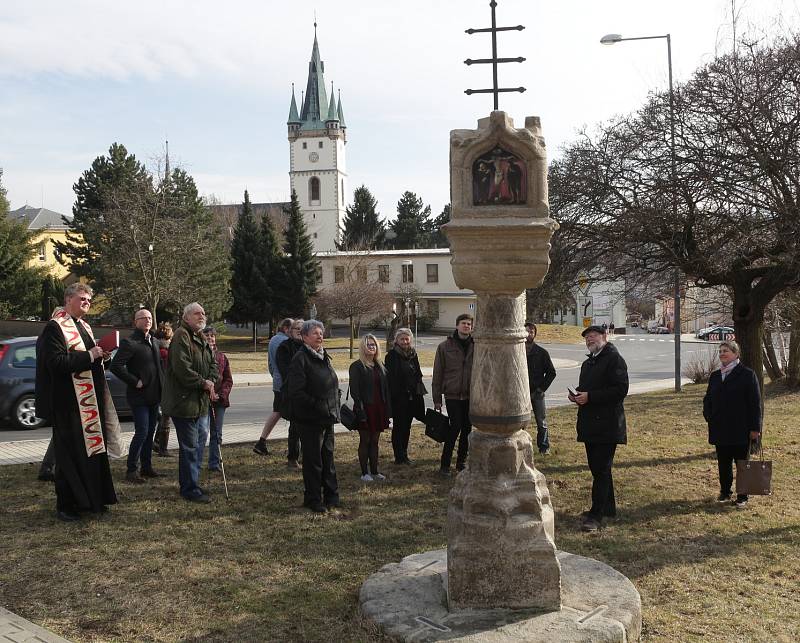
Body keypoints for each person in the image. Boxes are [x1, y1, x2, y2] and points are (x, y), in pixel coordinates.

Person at [35, 283, 120, 521]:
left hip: (89, 404)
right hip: (67, 406)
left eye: (89, 300)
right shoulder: (55, 328)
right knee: (69, 458)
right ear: (68, 299)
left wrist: (102, 356)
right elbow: (56, 363)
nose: (86, 302)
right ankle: (66, 505)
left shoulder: (84, 326)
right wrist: (90, 355)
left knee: (92, 453)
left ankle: (92, 500)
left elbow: (87, 360)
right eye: (82, 298)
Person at [568, 325, 629, 533]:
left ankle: (596, 516)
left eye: (593, 336)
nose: (589, 340)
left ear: (604, 336)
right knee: (598, 469)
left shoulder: (614, 359)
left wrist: (590, 397)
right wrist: (578, 396)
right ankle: (608, 507)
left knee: (601, 469)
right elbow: (587, 388)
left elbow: (621, 389)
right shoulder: (588, 363)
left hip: (608, 424)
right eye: (586, 338)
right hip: (589, 423)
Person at [161, 302, 218, 503]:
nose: (202, 315)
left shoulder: (201, 337)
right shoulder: (181, 336)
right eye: (197, 313)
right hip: (183, 403)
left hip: (199, 402)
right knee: (190, 447)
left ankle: (192, 483)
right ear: (186, 317)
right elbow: (181, 369)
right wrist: (203, 383)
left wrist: (211, 380)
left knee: (197, 444)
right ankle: (189, 489)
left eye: (203, 312)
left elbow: (214, 362)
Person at [287, 320, 340, 513]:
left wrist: (335, 400)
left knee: (328, 458)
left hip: (327, 417)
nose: (320, 336)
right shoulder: (300, 359)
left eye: (321, 333)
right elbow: (296, 392)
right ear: (305, 337)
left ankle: (332, 496)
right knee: (313, 462)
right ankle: (313, 499)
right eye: (316, 333)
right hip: (310, 420)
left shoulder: (324, 356)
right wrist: (318, 406)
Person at [703, 340, 762, 509]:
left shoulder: (747, 374)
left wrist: (755, 428)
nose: (722, 353)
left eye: (726, 350)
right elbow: (708, 399)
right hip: (720, 428)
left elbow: (755, 403)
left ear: (736, 354)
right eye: (720, 351)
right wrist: (709, 416)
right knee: (723, 462)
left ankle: (743, 496)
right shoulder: (715, 375)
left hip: (740, 428)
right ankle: (725, 491)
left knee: (742, 463)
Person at [111, 308, 164, 483]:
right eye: (143, 318)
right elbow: (116, 366)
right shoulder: (130, 342)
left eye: (149, 318)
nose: (148, 320)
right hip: (138, 396)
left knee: (150, 433)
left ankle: (147, 467)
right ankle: (131, 470)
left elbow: (159, 368)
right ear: (136, 322)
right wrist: (135, 381)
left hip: (154, 396)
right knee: (141, 432)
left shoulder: (154, 341)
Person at [432, 313, 474, 476]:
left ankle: (461, 463)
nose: (466, 326)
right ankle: (445, 464)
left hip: (469, 395)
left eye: (469, 324)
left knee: (467, 429)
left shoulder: (476, 345)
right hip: (452, 395)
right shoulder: (445, 346)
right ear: (457, 325)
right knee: (454, 427)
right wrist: (437, 399)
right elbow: (437, 373)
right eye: (463, 323)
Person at [349, 334, 391, 481]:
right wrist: (361, 411)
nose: (372, 347)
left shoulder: (380, 365)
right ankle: (364, 473)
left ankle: (374, 471)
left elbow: (385, 389)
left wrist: (387, 409)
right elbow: (355, 391)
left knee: (375, 441)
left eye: (374, 345)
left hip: (379, 408)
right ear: (363, 347)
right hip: (365, 408)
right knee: (365, 440)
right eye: (369, 344)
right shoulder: (356, 366)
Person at [385, 327, 426, 465]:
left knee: (407, 427)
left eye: (406, 339)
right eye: (401, 339)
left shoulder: (413, 355)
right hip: (399, 398)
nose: (404, 341)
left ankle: (405, 454)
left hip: (412, 398)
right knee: (398, 427)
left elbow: (418, 373)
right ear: (396, 340)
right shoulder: (391, 356)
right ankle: (399, 456)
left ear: (410, 340)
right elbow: (391, 378)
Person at [254, 318, 293, 456]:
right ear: (287, 328)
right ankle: (293, 448)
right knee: (291, 414)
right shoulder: (283, 342)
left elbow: (270, 364)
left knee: (277, 411)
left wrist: (275, 376)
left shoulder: (273, 340)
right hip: (284, 382)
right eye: (293, 329)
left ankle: (261, 442)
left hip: (278, 381)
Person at [201, 326, 233, 473]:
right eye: (207, 336)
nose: (210, 338)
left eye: (212, 336)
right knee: (201, 432)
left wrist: (221, 394)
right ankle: (197, 462)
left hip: (219, 401)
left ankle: (214, 462)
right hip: (202, 399)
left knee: (217, 433)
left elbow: (228, 380)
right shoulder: (199, 355)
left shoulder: (221, 357)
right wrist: (208, 391)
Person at [525, 322, 557, 456]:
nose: (529, 334)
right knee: (520, 421)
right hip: (520, 392)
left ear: (535, 334)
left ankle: (544, 447)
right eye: (526, 331)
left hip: (537, 393)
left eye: (531, 332)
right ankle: (521, 446)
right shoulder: (516, 351)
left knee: (541, 422)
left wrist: (541, 389)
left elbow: (551, 372)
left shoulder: (542, 353)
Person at [276, 318, 304, 468]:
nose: (299, 331)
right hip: (293, 393)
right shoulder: (284, 347)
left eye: (302, 328)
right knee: (295, 427)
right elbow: (286, 371)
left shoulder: (309, 346)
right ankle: (293, 458)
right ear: (290, 331)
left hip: (310, 394)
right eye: (296, 328)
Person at [153, 321, 174, 457]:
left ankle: (156, 443)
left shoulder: (154, 347)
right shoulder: (166, 352)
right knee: (165, 418)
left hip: (155, 387)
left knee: (161, 417)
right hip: (165, 387)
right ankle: (162, 448)